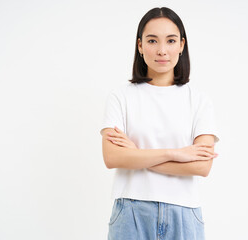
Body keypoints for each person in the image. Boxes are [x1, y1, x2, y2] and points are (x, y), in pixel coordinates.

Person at [100, 7, 220, 240]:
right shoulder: (121, 97)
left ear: (182, 45)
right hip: (131, 210)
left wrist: (136, 155)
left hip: (184, 213)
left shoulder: (199, 100)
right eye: (152, 40)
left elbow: (201, 167)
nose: (162, 50)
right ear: (140, 46)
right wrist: (177, 154)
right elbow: (112, 158)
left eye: (171, 40)